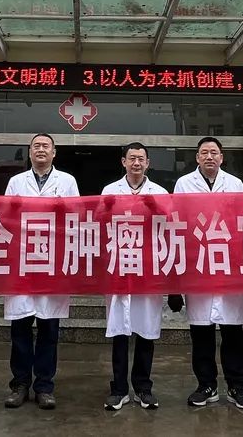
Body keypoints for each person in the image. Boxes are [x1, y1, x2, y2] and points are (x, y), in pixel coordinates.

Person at [172, 136, 243, 410]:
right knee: (201, 333)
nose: (209, 156)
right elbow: (177, 224)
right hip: (197, 265)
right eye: (204, 152)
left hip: (228, 265)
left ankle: (237, 386)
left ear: (222, 157)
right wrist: (176, 282)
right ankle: (206, 385)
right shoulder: (184, 184)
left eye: (214, 152)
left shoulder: (235, 184)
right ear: (197, 158)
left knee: (233, 332)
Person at [3, 133, 79, 411]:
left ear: (54, 152)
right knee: (20, 327)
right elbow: (6, 217)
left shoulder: (67, 181)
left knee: (49, 328)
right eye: (36, 146)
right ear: (29, 152)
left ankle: (45, 386)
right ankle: (20, 384)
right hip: (23, 259)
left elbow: (76, 218)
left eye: (46, 146)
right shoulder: (16, 182)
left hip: (53, 261)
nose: (41, 150)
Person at [101, 142, 167, 411]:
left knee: (146, 329)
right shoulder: (110, 190)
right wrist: (105, 210)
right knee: (119, 330)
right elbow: (98, 225)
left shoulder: (160, 192)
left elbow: (172, 226)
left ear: (148, 163)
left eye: (141, 159)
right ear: (123, 162)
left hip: (148, 268)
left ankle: (143, 387)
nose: (136, 163)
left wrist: (158, 210)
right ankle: (119, 389)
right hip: (119, 267)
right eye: (132, 158)